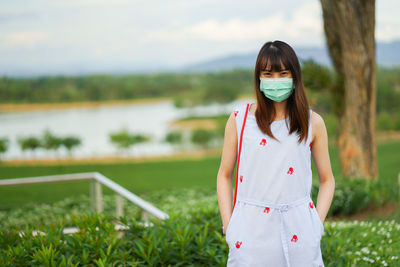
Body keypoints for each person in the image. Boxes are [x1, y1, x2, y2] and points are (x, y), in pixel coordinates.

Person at [216, 40, 335, 267]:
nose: (276, 81)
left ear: (294, 77)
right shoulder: (239, 120)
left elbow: (327, 179)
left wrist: (315, 225)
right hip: (249, 232)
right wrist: (229, 225)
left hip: (300, 232)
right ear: (258, 77)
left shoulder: (313, 123)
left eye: (283, 73)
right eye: (268, 74)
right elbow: (224, 174)